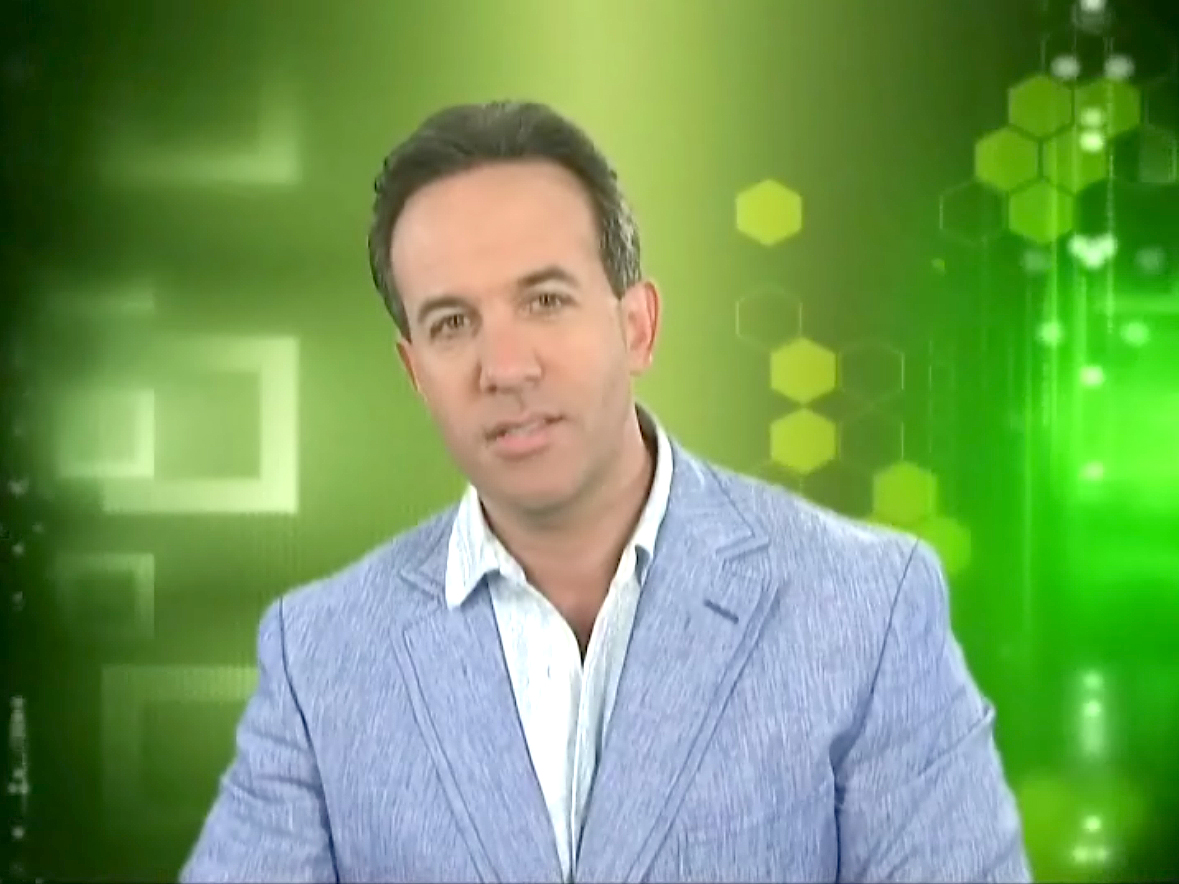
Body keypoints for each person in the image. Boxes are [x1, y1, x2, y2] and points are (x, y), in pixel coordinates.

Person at [180, 100, 1031, 884]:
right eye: (452, 323)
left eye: (545, 300)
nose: (504, 367)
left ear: (638, 327)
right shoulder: (318, 655)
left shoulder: (866, 607)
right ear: (414, 372)